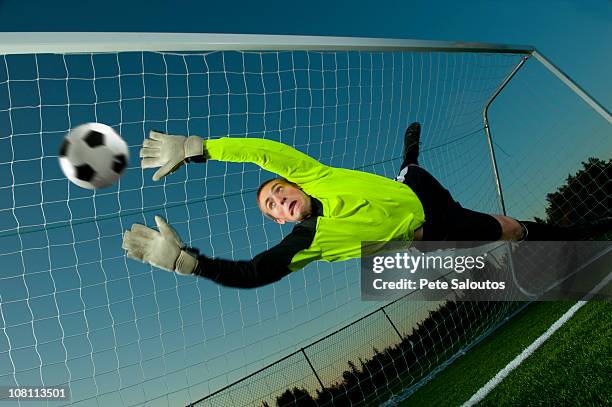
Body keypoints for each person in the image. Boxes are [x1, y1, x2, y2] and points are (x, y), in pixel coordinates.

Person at [122, 123, 607, 288]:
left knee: (409, 172)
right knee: (506, 229)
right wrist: (190, 263)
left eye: (277, 189)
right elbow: (254, 274)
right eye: (272, 205)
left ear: (292, 183)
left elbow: (262, 151)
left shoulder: (313, 175)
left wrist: (200, 147)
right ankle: (569, 234)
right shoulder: (307, 241)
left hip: (419, 189)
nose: (280, 199)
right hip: (431, 233)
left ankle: (408, 157)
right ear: (277, 220)